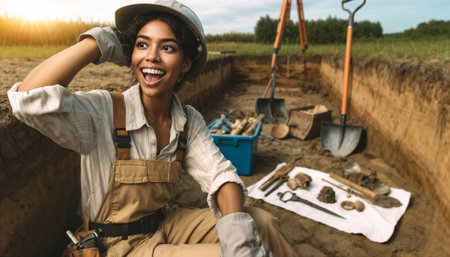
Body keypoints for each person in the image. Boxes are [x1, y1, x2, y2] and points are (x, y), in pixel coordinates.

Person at [8, 1, 298, 257]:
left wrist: (239, 241)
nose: (152, 57)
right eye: (142, 44)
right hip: (116, 245)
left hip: (164, 223)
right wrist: (99, 43)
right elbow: (26, 100)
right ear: (129, 53)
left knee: (260, 224)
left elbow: (220, 176)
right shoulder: (104, 111)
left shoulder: (188, 119)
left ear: (185, 64)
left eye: (167, 47)